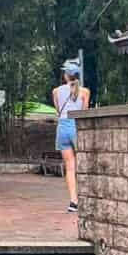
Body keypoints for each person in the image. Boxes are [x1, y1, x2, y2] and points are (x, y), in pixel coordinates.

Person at [52, 60, 90, 213]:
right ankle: (86, 198)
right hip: (77, 127)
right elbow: (84, 111)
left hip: (62, 127)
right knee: (84, 164)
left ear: (66, 75)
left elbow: (58, 110)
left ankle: (73, 201)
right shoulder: (85, 92)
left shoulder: (56, 91)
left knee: (70, 167)